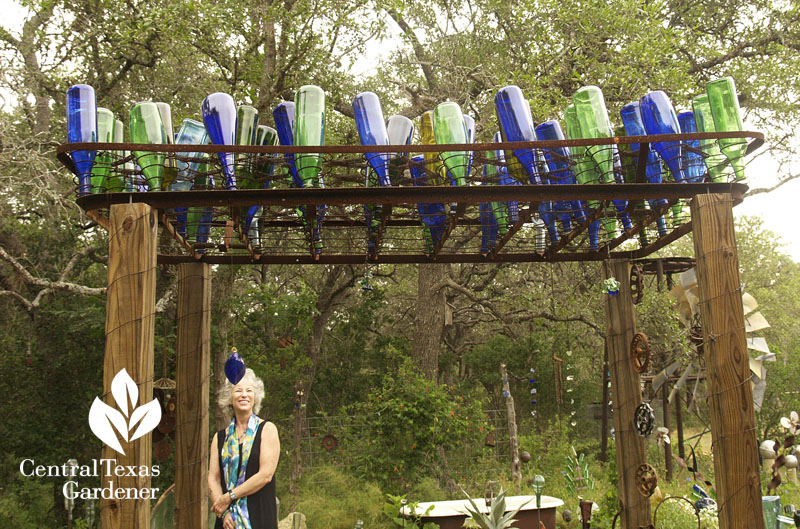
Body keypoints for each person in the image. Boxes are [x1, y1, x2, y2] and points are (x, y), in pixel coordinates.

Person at [209, 368, 280, 529]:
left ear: (255, 397)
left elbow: (265, 475)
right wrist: (225, 512)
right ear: (229, 397)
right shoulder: (219, 438)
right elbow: (213, 479)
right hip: (227, 523)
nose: (244, 395)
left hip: (259, 518)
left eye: (249, 390)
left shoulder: (267, 430)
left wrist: (229, 497)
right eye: (238, 390)